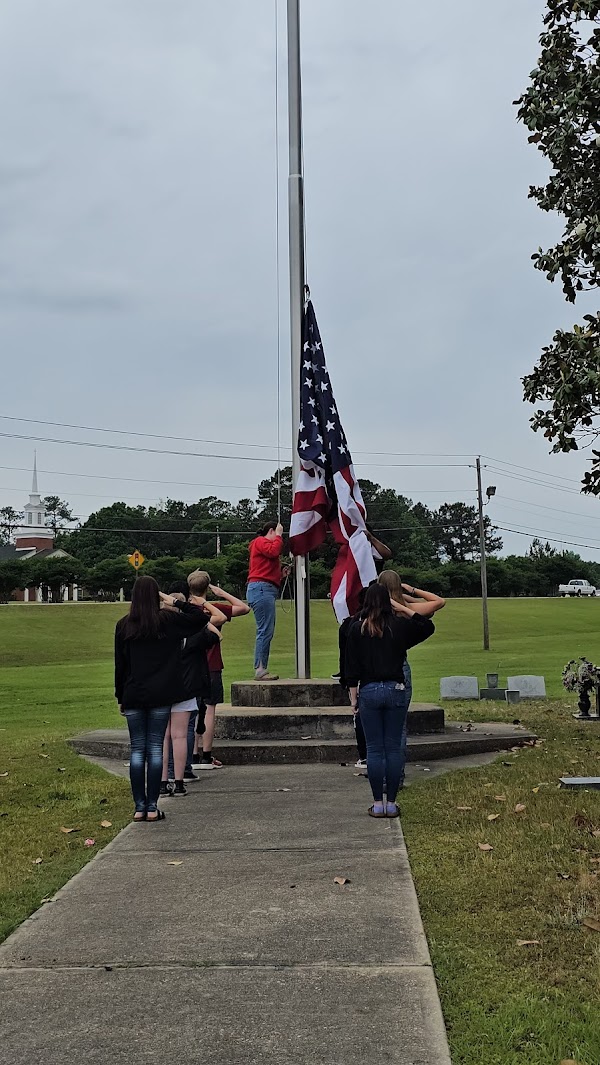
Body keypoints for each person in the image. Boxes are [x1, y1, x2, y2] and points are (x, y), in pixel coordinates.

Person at [114, 575, 217, 822]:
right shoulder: (168, 621)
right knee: (156, 747)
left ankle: (139, 806)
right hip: (161, 694)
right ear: (156, 596)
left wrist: (120, 696)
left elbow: (121, 665)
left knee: (138, 750)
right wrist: (175, 601)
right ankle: (152, 806)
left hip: (133, 694)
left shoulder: (124, 625)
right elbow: (201, 617)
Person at [345, 583, 435, 818]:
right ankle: (392, 803)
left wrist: (353, 699)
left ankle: (377, 803)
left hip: (369, 690)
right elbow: (427, 626)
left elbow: (351, 670)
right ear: (388, 602)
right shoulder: (399, 627)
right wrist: (403, 608)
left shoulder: (356, 629)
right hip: (395, 689)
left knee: (374, 749)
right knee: (393, 747)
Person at [378, 570, 445, 787]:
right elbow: (438, 602)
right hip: (400, 668)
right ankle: (397, 777)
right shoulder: (406, 614)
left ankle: (382, 774)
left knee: (379, 727)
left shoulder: (373, 611)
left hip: (375, 669)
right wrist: (409, 593)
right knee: (399, 726)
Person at [160, 582, 224, 795]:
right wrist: (195, 610)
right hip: (186, 687)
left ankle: (163, 779)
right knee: (181, 734)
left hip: (163, 686)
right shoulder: (194, 633)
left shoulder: (158, 631)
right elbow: (217, 630)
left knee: (164, 735)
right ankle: (180, 778)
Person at [186, 571, 251, 770]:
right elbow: (244, 608)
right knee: (210, 709)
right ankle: (207, 754)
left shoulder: (186, 610)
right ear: (207, 588)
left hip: (190, 666)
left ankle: (192, 754)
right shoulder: (215, 609)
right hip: (212, 665)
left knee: (191, 710)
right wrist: (222, 593)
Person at [246, 520, 285, 680]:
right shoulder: (260, 541)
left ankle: (261, 667)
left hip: (263, 589)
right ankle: (260, 668)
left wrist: (280, 574)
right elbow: (274, 551)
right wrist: (279, 535)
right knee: (264, 630)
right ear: (271, 530)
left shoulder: (259, 544)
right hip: (262, 589)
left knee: (266, 629)